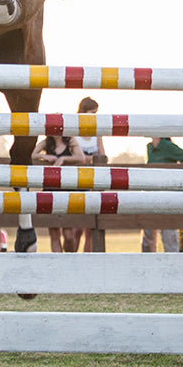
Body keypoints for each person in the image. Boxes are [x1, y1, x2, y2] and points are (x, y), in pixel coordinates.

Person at [142, 137, 183, 253]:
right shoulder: (150, 147)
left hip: (166, 197)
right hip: (151, 196)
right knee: (148, 237)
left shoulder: (166, 145)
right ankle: (148, 265)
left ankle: (173, 264)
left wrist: (181, 180)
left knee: (168, 235)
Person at [33, 134, 84, 252]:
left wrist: (64, 159)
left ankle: (69, 261)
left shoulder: (70, 141)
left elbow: (81, 158)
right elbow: (32, 154)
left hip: (67, 190)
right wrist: (44, 156)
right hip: (50, 190)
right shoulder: (46, 143)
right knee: (54, 234)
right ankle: (58, 266)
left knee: (69, 236)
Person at [73, 96, 102, 252]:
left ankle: (87, 259)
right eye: (92, 113)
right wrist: (87, 159)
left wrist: (86, 158)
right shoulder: (74, 132)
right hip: (76, 182)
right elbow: (76, 158)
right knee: (76, 229)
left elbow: (103, 156)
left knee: (90, 229)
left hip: (92, 182)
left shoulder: (97, 133)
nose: (94, 117)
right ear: (83, 112)